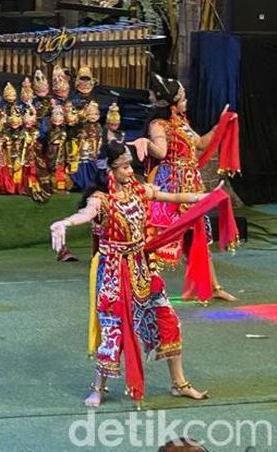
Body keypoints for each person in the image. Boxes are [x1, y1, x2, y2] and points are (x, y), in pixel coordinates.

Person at [50, 141, 222, 407]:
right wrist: (64, 223)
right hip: (114, 273)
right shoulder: (101, 200)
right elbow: (85, 214)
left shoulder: (139, 191)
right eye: (125, 167)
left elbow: (173, 197)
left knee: (168, 320)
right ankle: (98, 387)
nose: (131, 171)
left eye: (130, 165)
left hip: (143, 268)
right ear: (110, 169)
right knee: (113, 331)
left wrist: (205, 198)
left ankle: (179, 383)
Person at [133, 76, 240, 302]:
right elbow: (161, 152)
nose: (186, 100)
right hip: (170, 185)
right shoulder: (158, 125)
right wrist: (146, 144)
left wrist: (220, 125)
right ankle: (143, 286)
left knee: (197, 237)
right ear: (173, 101)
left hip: (191, 185)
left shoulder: (182, 123)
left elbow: (201, 144)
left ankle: (213, 287)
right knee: (158, 237)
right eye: (183, 97)